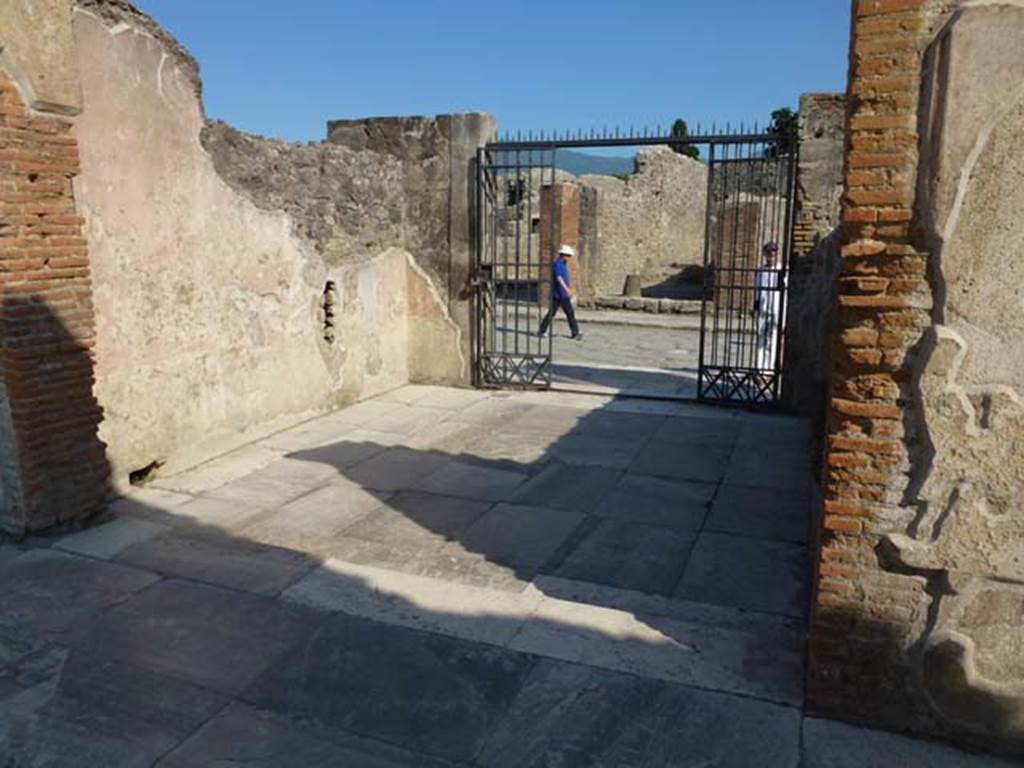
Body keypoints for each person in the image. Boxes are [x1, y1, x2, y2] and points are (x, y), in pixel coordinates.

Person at [537, 244, 583, 340]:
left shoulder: (563, 264)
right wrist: (567, 289)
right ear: (563, 255)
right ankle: (574, 332)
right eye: (568, 255)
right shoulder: (557, 264)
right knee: (560, 313)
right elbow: (559, 278)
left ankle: (542, 330)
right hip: (559, 294)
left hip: (562, 294)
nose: (569, 258)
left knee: (566, 313)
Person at [752, 241, 783, 371]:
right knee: (760, 339)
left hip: (776, 309)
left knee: (772, 340)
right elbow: (757, 290)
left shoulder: (781, 270)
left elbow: (784, 292)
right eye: (768, 255)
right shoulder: (761, 271)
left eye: (773, 255)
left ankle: (768, 370)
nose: (771, 258)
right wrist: (755, 306)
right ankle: (759, 368)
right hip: (763, 309)